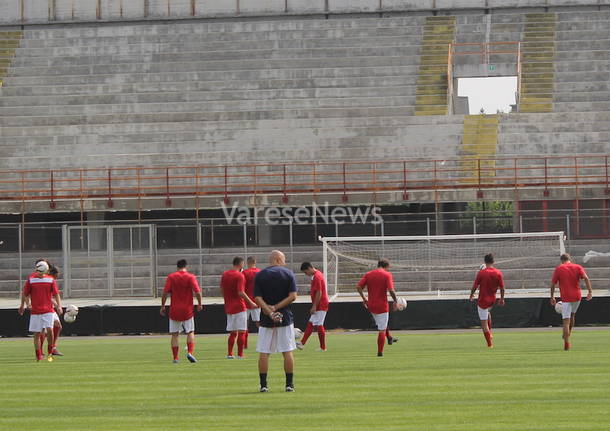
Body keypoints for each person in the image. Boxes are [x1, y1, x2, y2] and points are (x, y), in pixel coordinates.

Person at [254, 250, 298, 393]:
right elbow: (293, 296)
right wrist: (277, 308)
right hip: (285, 317)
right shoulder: (288, 274)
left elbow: (257, 298)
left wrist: (269, 311)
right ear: (279, 259)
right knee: (287, 351)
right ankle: (289, 384)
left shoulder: (260, 275)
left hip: (266, 319)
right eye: (283, 259)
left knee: (264, 353)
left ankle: (263, 385)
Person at [18, 260, 63, 361]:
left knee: (50, 329)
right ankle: (38, 355)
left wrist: (59, 306)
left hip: (48, 310)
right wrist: (26, 304)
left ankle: (50, 351)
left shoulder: (50, 280)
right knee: (37, 333)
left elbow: (56, 294)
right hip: (35, 311)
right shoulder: (31, 280)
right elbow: (25, 293)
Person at [160, 259, 203, 363]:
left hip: (174, 309)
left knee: (175, 334)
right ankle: (190, 353)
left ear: (177, 266)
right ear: (186, 266)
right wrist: (200, 303)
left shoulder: (171, 277)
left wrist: (163, 305)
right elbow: (197, 292)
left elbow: (165, 292)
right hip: (187, 310)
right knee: (190, 332)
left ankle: (175, 358)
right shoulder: (190, 277)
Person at [549, 253, 593, 350]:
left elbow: (553, 284)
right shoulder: (577, 267)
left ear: (561, 260)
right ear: (570, 259)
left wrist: (552, 297)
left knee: (565, 320)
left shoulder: (559, 268)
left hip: (566, 297)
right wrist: (590, 291)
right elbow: (586, 278)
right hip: (577, 296)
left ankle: (566, 342)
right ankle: (568, 333)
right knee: (572, 315)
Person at [356, 259, 398, 357]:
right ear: (386, 266)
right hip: (382, 305)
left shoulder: (368, 274)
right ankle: (380, 352)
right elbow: (391, 290)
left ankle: (390, 338)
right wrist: (395, 301)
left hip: (371, 305)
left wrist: (364, 299)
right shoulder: (387, 275)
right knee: (382, 329)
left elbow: (358, 287)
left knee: (382, 323)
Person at [221, 257, 257, 359]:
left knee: (233, 333)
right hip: (239, 306)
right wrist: (251, 302)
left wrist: (226, 300)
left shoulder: (225, 274)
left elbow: (222, 289)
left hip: (229, 307)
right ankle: (240, 355)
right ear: (241, 264)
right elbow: (241, 292)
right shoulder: (240, 275)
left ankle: (229, 354)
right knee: (242, 330)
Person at [469, 253, 505, 348]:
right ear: (493, 261)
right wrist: (502, 298)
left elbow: (475, 286)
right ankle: (491, 332)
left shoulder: (481, 273)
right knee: (487, 313)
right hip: (492, 300)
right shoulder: (498, 273)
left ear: (485, 261)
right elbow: (502, 288)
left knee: (483, 324)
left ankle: (490, 344)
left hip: (483, 300)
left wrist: (471, 295)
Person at [297, 262, 329, 351]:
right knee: (311, 323)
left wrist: (314, 306)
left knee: (319, 324)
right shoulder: (316, 275)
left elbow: (319, 292)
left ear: (309, 268)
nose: (305, 274)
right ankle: (301, 343)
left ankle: (323, 348)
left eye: (305, 272)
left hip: (321, 304)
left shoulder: (317, 276)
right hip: (319, 303)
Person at [242, 256, 261, 349]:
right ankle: (264, 341)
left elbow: (242, 287)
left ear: (247, 263)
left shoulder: (244, 273)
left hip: (246, 301)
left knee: (245, 323)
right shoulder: (260, 272)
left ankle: (244, 344)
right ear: (255, 262)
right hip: (257, 301)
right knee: (259, 323)